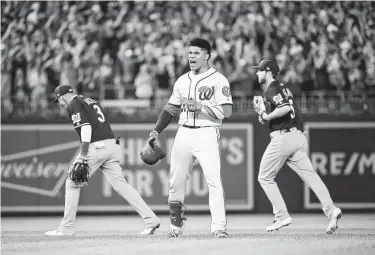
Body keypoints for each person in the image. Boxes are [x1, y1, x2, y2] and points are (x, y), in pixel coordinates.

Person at [45, 85, 160, 236]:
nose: (59, 104)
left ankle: (66, 228)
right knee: (121, 185)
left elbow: (86, 128)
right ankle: (151, 219)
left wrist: (84, 154)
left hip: (96, 146)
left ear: (62, 96)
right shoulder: (89, 100)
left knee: (72, 183)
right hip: (111, 145)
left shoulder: (74, 103)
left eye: (58, 100)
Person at [147, 38, 233, 238]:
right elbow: (170, 109)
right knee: (175, 181)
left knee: (214, 181)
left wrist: (201, 107)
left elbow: (227, 111)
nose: (191, 57)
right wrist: (156, 131)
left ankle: (219, 227)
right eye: (190, 53)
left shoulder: (219, 80)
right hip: (183, 132)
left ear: (207, 56)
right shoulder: (182, 80)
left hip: (207, 132)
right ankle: (176, 227)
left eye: (196, 53)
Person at [252, 60, 342, 234]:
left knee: (264, 177)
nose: (257, 73)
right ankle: (331, 210)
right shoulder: (283, 88)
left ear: (268, 71)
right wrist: (263, 114)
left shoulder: (272, 88)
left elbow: (284, 108)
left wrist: (267, 114)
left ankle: (281, 216)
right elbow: (285, 111)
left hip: (284, 137)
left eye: (260, 70)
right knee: (311, 177)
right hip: (297, 136)